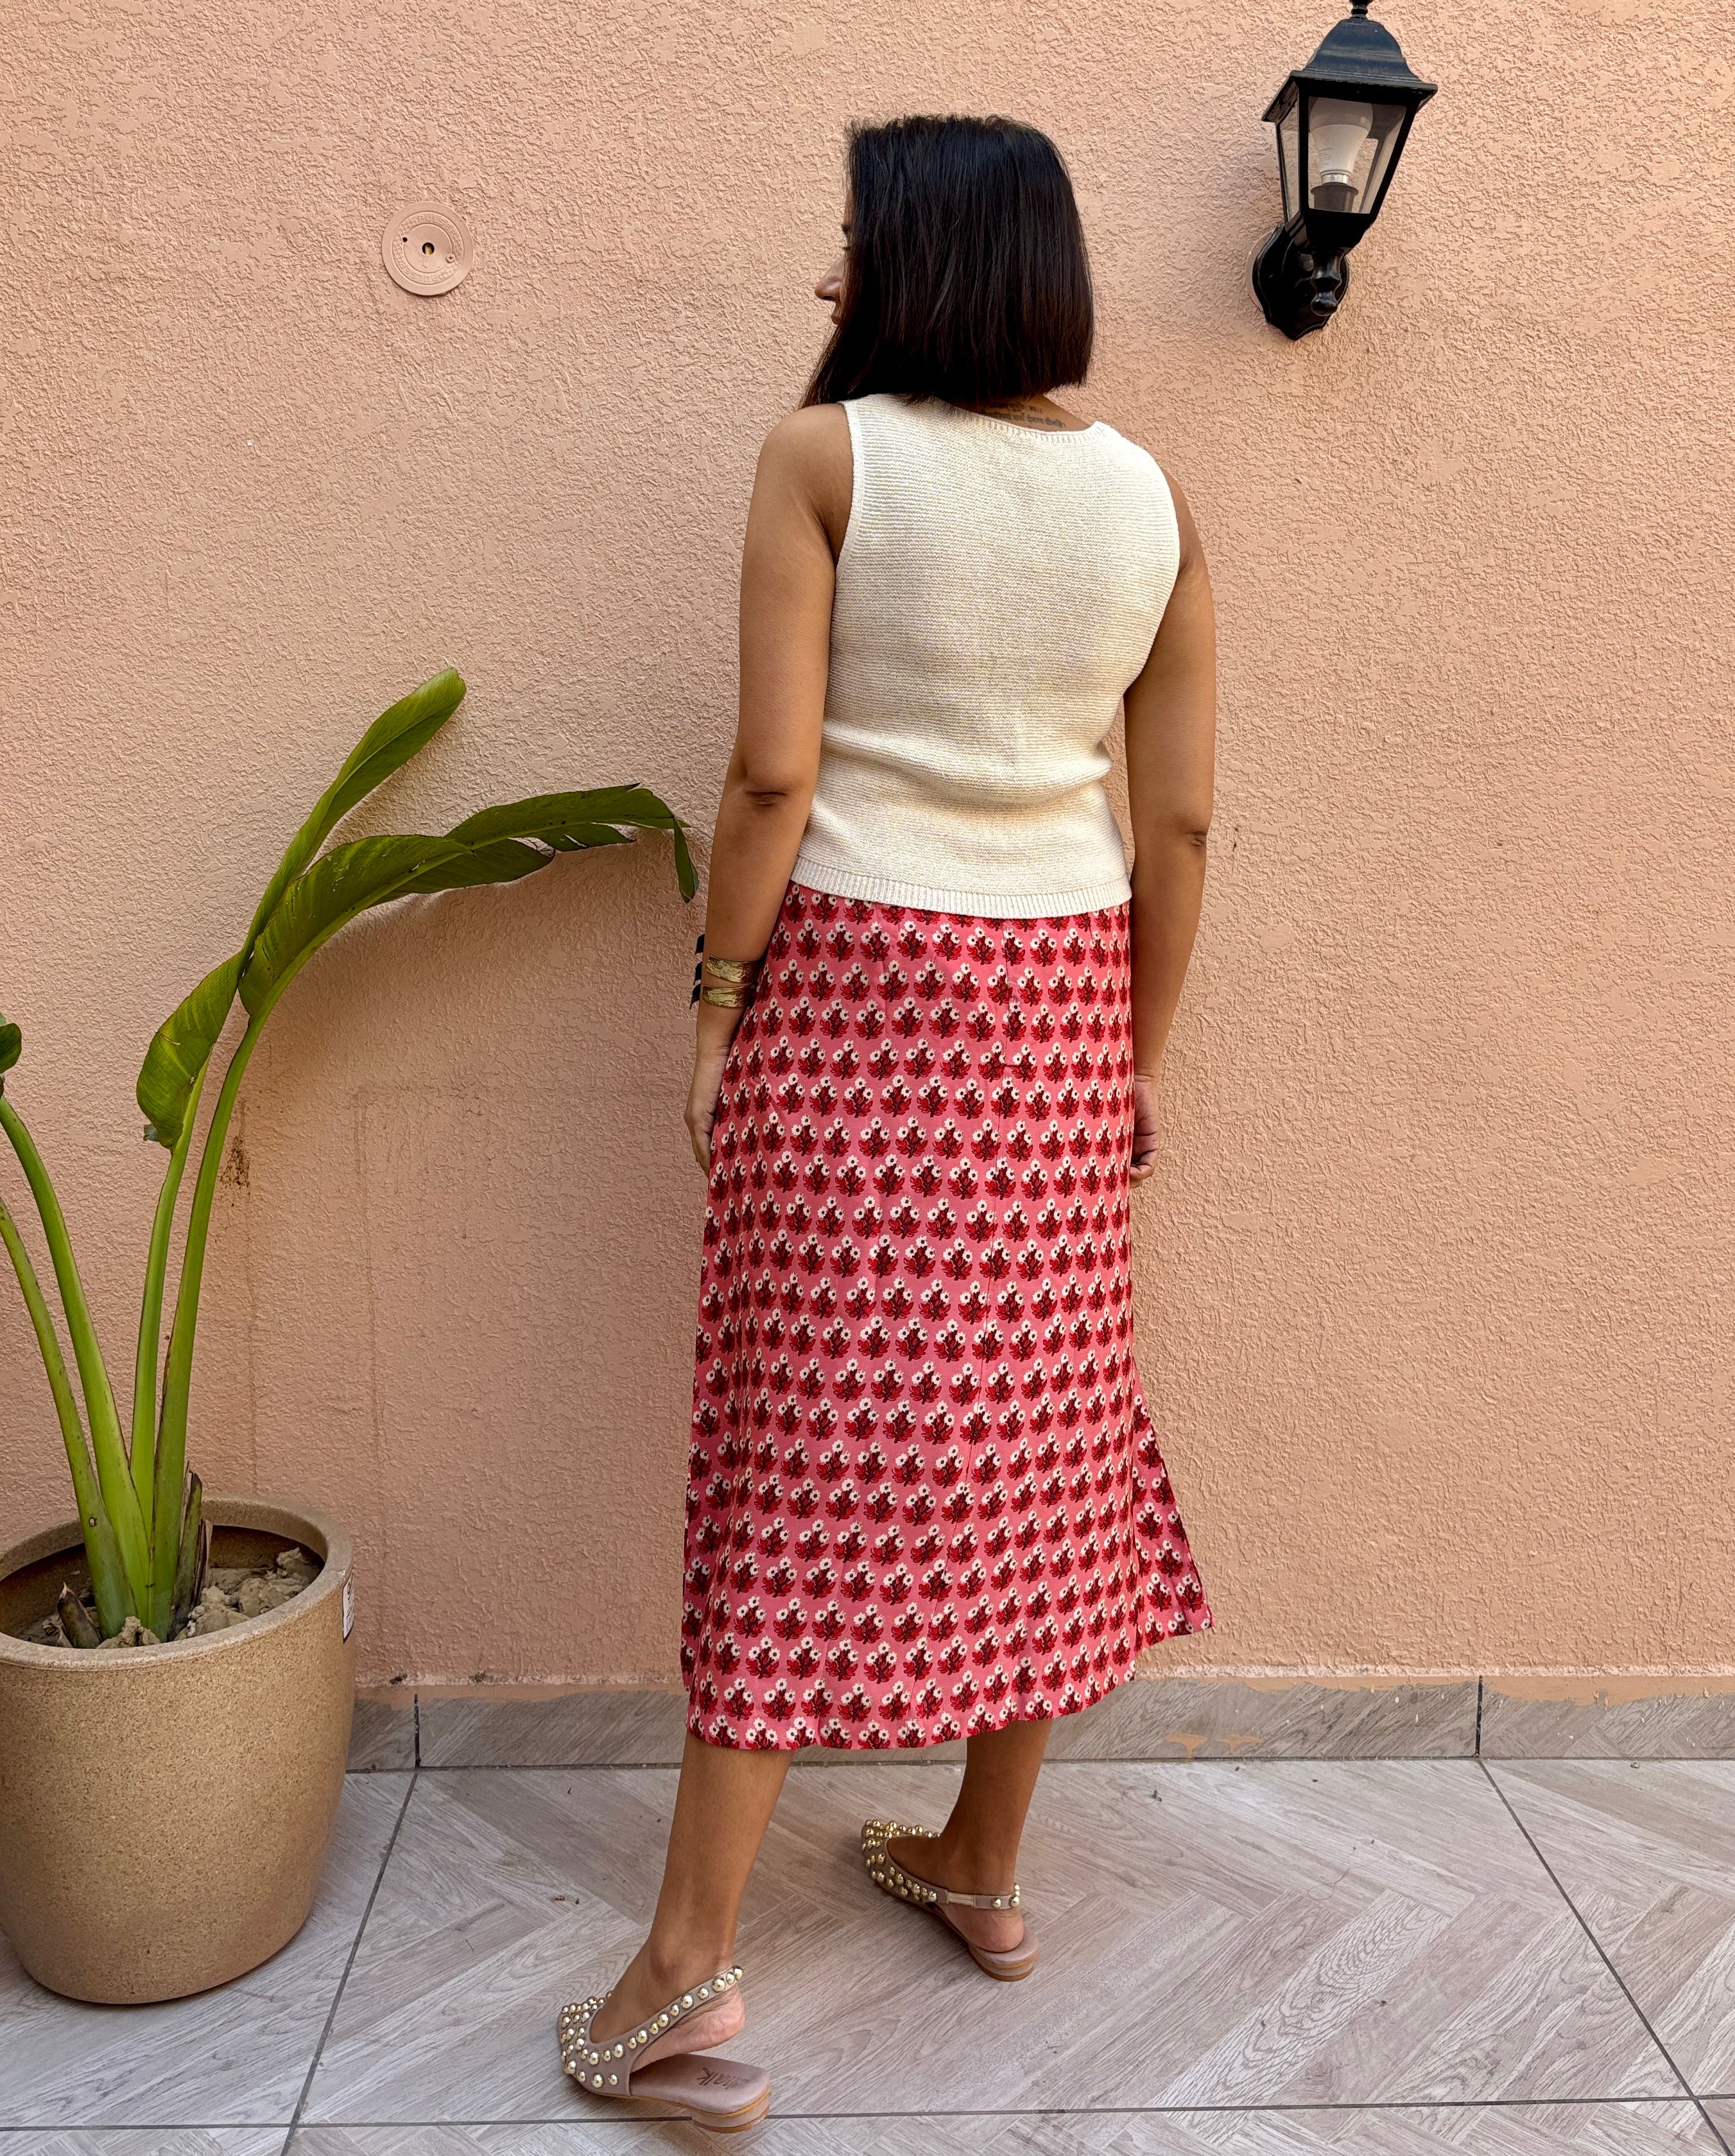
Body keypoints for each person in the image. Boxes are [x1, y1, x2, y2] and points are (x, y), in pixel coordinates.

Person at [558, 112, 1215, 2131]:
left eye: (849, 242)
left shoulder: (824, 459)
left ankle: (682, 1971)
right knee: (1037, 1431)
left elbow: (771, 779)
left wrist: (716, 998)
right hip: (1052, 1013)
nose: (828, 278)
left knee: (802, 1452)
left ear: (922, 258)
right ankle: (986, 1864)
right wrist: (1135, 1063)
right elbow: (1175, 816)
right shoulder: (1152, 499)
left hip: (853, 995)